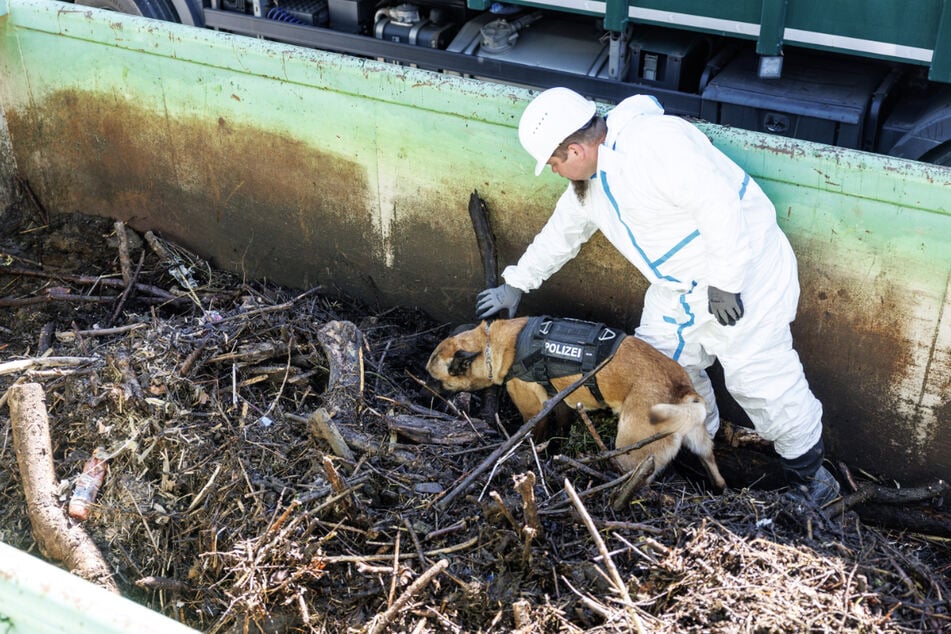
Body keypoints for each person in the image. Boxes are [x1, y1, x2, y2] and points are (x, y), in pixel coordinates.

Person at [476, 87, 839, 508]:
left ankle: (811, 479)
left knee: (759, 379)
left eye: (555, 163)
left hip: (745, 275)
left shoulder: (655, 143)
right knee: (658, 368)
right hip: (679, 287)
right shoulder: (590, 185)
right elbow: (562, 234)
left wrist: (725, 279)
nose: (557, 171)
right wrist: (517, 282)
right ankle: (702, 447)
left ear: (575, 150)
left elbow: (718, 204)